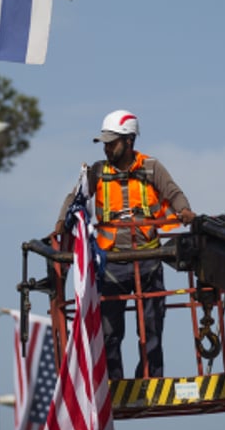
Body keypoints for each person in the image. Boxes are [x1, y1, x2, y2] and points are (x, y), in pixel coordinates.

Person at [56, 109, 195, 379]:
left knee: (152, 326)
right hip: (112, 262)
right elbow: (73, 198)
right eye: (105, 143)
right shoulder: (97, 171)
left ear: (129, 141)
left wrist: (185, 210)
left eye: (112, 142)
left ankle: (151, 377)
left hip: (149, 258)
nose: (107, 148)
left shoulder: (152, 167)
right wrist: (62, 222)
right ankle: (114, 381)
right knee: (110, 330)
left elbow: (173, 192)